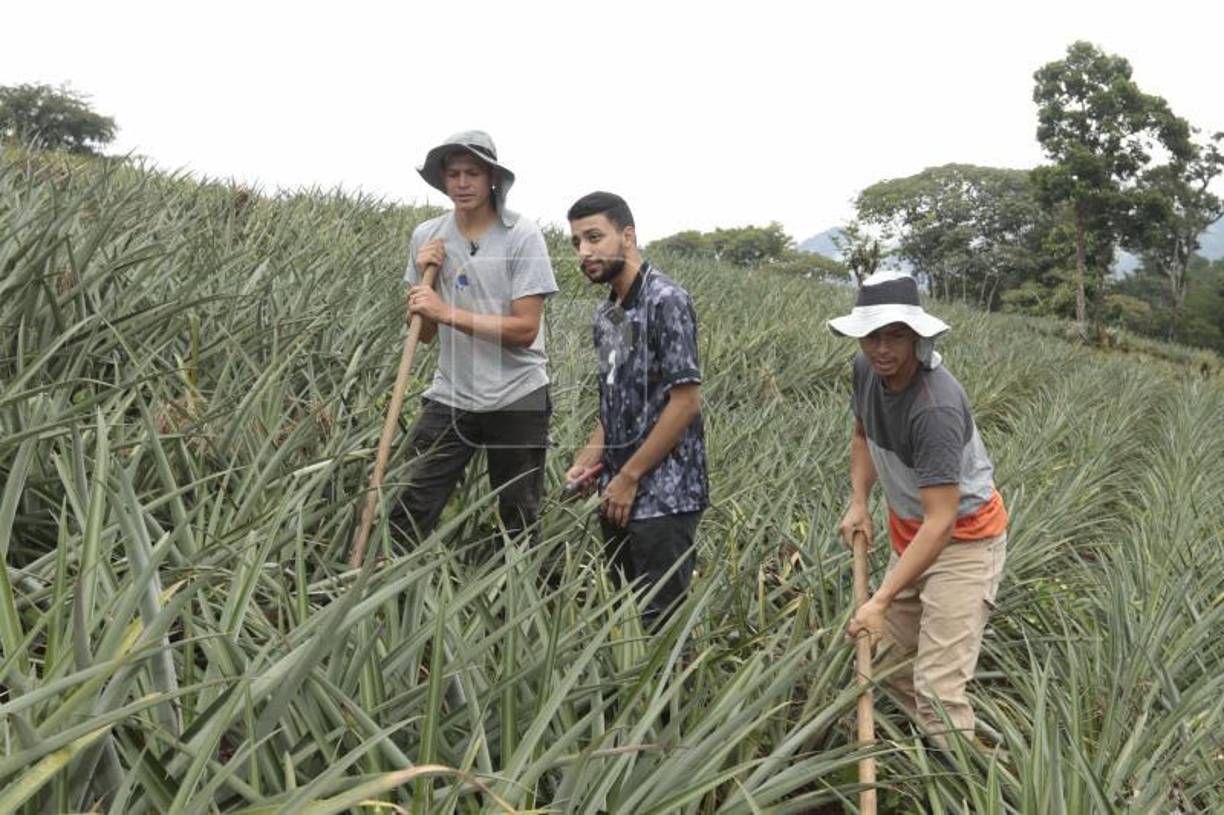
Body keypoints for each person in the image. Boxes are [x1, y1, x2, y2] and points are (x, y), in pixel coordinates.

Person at [830, 270, 1008, 748]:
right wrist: (859, 502)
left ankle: (968, 783)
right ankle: (930, 755)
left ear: (917, 336)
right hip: (912, 534)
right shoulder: (866, 369)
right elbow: (862, 434)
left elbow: (942, 521)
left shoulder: (934, 409)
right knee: (888, 663)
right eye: (872, 336)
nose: (882, 348)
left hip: (964, 544)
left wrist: (881, 599)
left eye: (895, 336)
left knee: (938, 691)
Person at [388, 130, 558, 544]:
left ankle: (516, 599)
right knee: (410, 503)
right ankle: (384, 588)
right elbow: (423, 334)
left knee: (518, 516)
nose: (462, 183)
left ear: (492, 180)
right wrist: (424, 294)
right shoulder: (427, 237)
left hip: (518, 393)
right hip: (452, 392)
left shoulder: (521, 235)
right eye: (454, 174)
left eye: (473, 174)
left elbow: (524, 329)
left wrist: (444, 310)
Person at [565, 191, 709, 628]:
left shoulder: (666, 299)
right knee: (623, 621)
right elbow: (615, 401)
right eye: (576, 242)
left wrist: (630, 476)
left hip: (664, 494)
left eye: (594, 237)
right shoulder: (607, 315)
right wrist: (591, 458)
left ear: (627, 236)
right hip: (617, 494)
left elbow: (685, 402)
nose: (584, 252)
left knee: (658, 628)